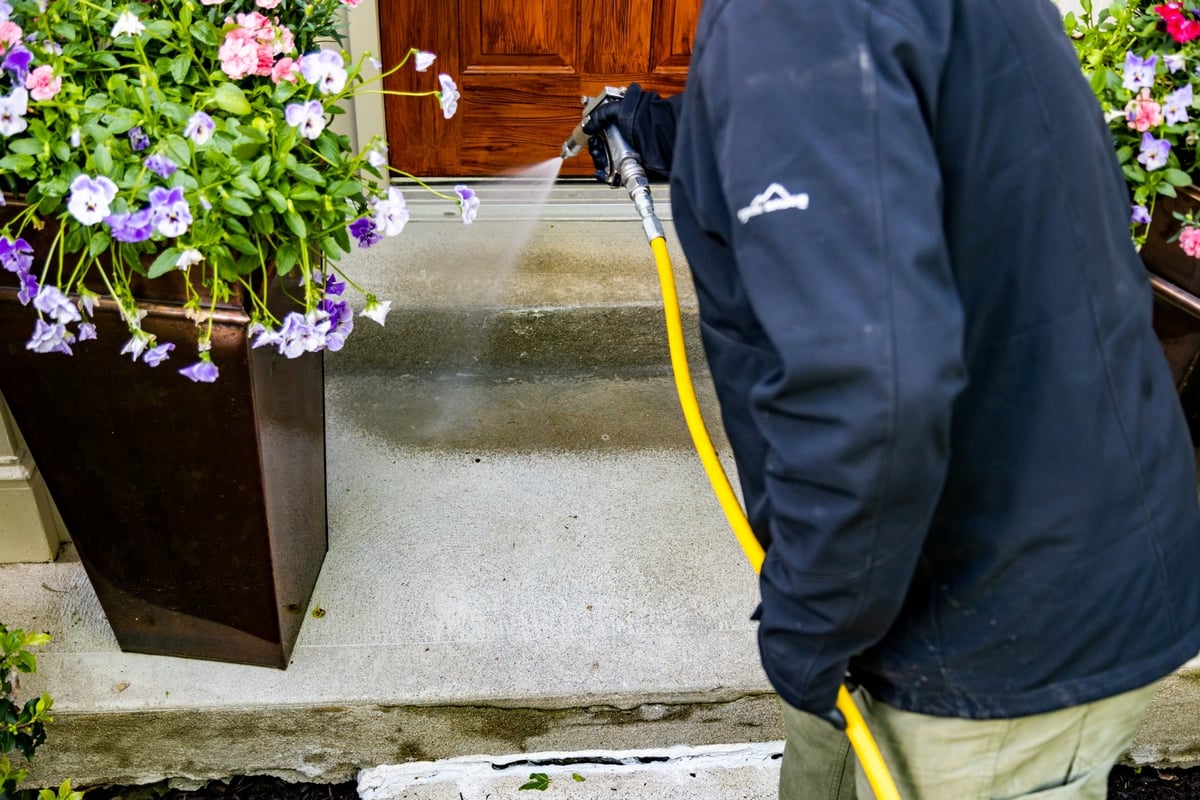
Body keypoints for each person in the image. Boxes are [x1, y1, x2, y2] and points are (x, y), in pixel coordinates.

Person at [581, 1, 1200, 798]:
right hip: (1017, 583)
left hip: (978, 647)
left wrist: (808, 629)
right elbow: (898, 134)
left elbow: (871, 393)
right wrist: (678, 130)